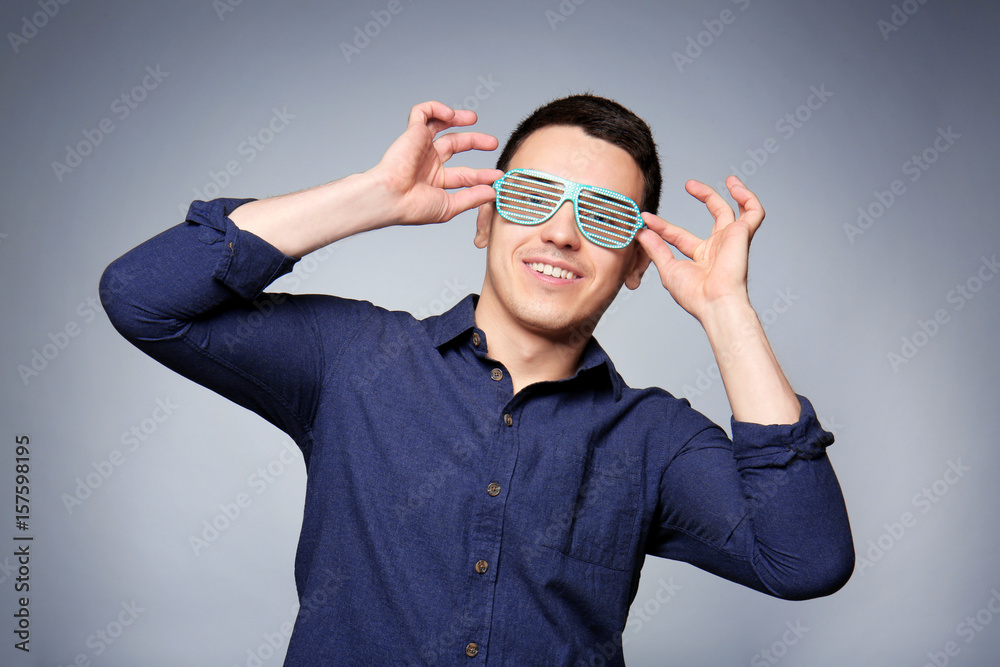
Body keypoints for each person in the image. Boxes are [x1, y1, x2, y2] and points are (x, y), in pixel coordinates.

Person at [100, 94, 853, 665]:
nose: (560, 231)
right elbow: (143, 296)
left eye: (602, 217)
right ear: (486, 219)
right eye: (531, 198)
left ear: (634, 265)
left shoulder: (655, 439)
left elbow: (806, 559)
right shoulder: (354, 357)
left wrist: (726, 310)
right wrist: (372, 199)